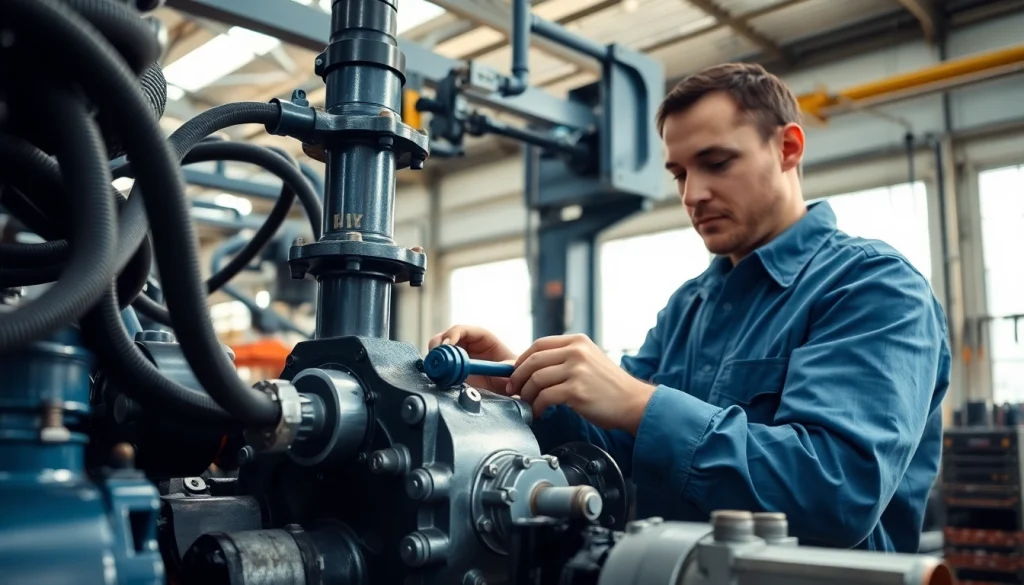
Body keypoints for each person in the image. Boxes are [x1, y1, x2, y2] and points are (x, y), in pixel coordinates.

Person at [429, 62, 950, 553]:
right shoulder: (691, 305)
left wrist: (641, 403)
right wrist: (521, 387)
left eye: (717, 163)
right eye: (679, 174)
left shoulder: (873, 287)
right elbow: (614, 446)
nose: (692, 194)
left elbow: (834, 492)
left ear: (788, 148)